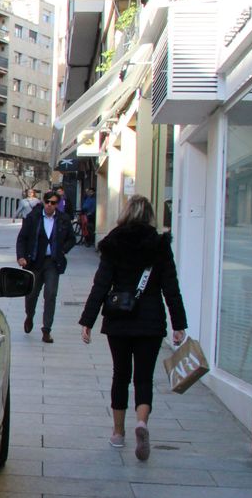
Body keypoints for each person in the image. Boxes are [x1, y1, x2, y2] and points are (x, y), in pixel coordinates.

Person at [78, 195, 187, 460]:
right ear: (150, 215)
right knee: (144, 377)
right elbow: (171, 287)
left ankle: (118, 432)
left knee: (120, 375)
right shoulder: (159, 245)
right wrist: (179, 323)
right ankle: (141, 423)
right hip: (150, 321)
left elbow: (101, 284)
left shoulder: (114, 242)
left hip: (119, 319)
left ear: (126, 213)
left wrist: (88, 320)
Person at [16, 190, 75, 344]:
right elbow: (22, 238)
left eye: (53, 202)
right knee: (31, 295)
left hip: (52, 262)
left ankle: (46, 330)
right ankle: (29, 315)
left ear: (57, 204)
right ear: (43, 202)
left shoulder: (63, 219)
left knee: (50, 295)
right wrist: (21, 256)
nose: (49, 205)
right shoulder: (33, 217)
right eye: (47, 202)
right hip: (34, 262)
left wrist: (63, 250)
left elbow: (71, 239)